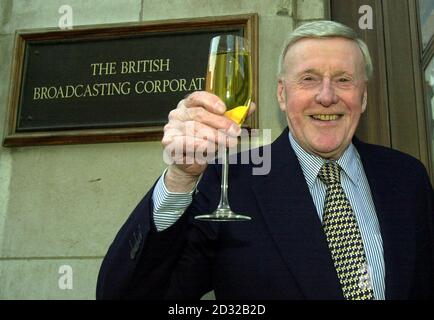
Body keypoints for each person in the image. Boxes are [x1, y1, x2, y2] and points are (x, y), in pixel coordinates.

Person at [96, 20, 434, 300]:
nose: (327, 95)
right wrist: (180, 178)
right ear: (282, 95)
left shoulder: (406, 177)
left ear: (362, 97)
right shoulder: (232, 183)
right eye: (309, 78)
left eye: (344, 80)